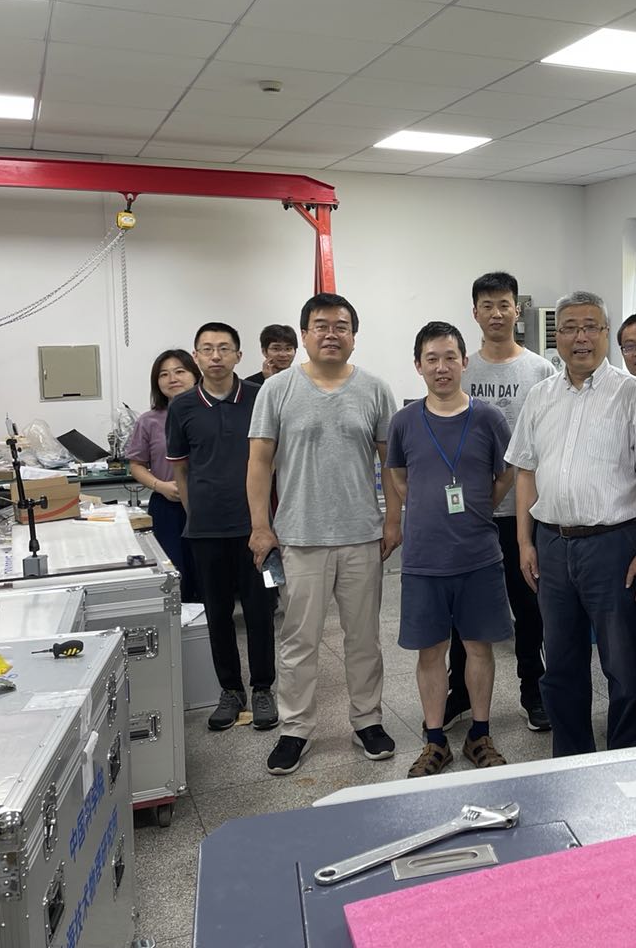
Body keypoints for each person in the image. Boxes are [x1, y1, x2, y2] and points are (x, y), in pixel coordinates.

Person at [248, 293, 399, 776]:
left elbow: (391, 464)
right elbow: (259, 463)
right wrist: (260, 526)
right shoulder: (277, 390)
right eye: (321, 325)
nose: (331, 334)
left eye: (341, 326)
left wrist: (393, 520)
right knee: (299, 641)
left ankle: (367, 720)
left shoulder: (375, 390)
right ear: (305, 335)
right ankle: (296, 728)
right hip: (300, 537)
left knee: (364, 639)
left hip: (361, 535)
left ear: (354, 335)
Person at [505, 290, 636, 757]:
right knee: (562, 662)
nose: (580, 337)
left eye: (590, 327)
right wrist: (525, 542)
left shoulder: (633, 395)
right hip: (552, 544)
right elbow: (525, 471)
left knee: (623, 662)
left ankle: (625, 754)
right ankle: (571, 757)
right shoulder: (540, 395)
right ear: (558, 336)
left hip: (614, 544)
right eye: (570, 328)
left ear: (605, 333)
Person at [386, 321, 516, 777]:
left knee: (479, 647)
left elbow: (506, 475)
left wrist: (478, 508)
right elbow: (399, 478)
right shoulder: (404, 422)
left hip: (479, 556)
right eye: (431, 359)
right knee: (430, 651)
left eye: (449, 358)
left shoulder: (488, 419)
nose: (441, 367)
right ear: (418, 365)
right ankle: (435, 740)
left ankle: (480, 733)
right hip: (424, 559)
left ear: (464, 362)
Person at [454, 271, 556, 733]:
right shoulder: (463, 369)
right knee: (463, 608)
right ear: (475, 313)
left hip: (524, 512)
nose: (496, 313)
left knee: (529, 609)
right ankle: (459, 692)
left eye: (504, 305)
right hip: (470, 512)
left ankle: (534, 690)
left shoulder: (540, 370)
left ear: (518, 310)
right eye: (487, 305)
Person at [167, 323, 278, 733]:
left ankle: (263, 688)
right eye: (207, 349)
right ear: (196, 356)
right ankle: (230, 690)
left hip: (257, 528)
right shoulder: (182, 407)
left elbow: (275, 461)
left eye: (224, 348)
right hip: (206, 530)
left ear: (238, 356)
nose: (216, 356)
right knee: (217, 614)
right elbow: (181, 470)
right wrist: (195, 515)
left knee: (261, 612)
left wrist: (269, 521)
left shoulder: (259, 397)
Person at [127, 349, 202, 603]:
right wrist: (160, 486)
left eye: (180, 371)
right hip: (168, 507)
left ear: (195, 374)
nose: (172, 379)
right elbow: (136, 465)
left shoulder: (210, 413)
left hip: (208, 506)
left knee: (208, 574)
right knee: (175, 575)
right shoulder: (149, 421)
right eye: (164, 374)